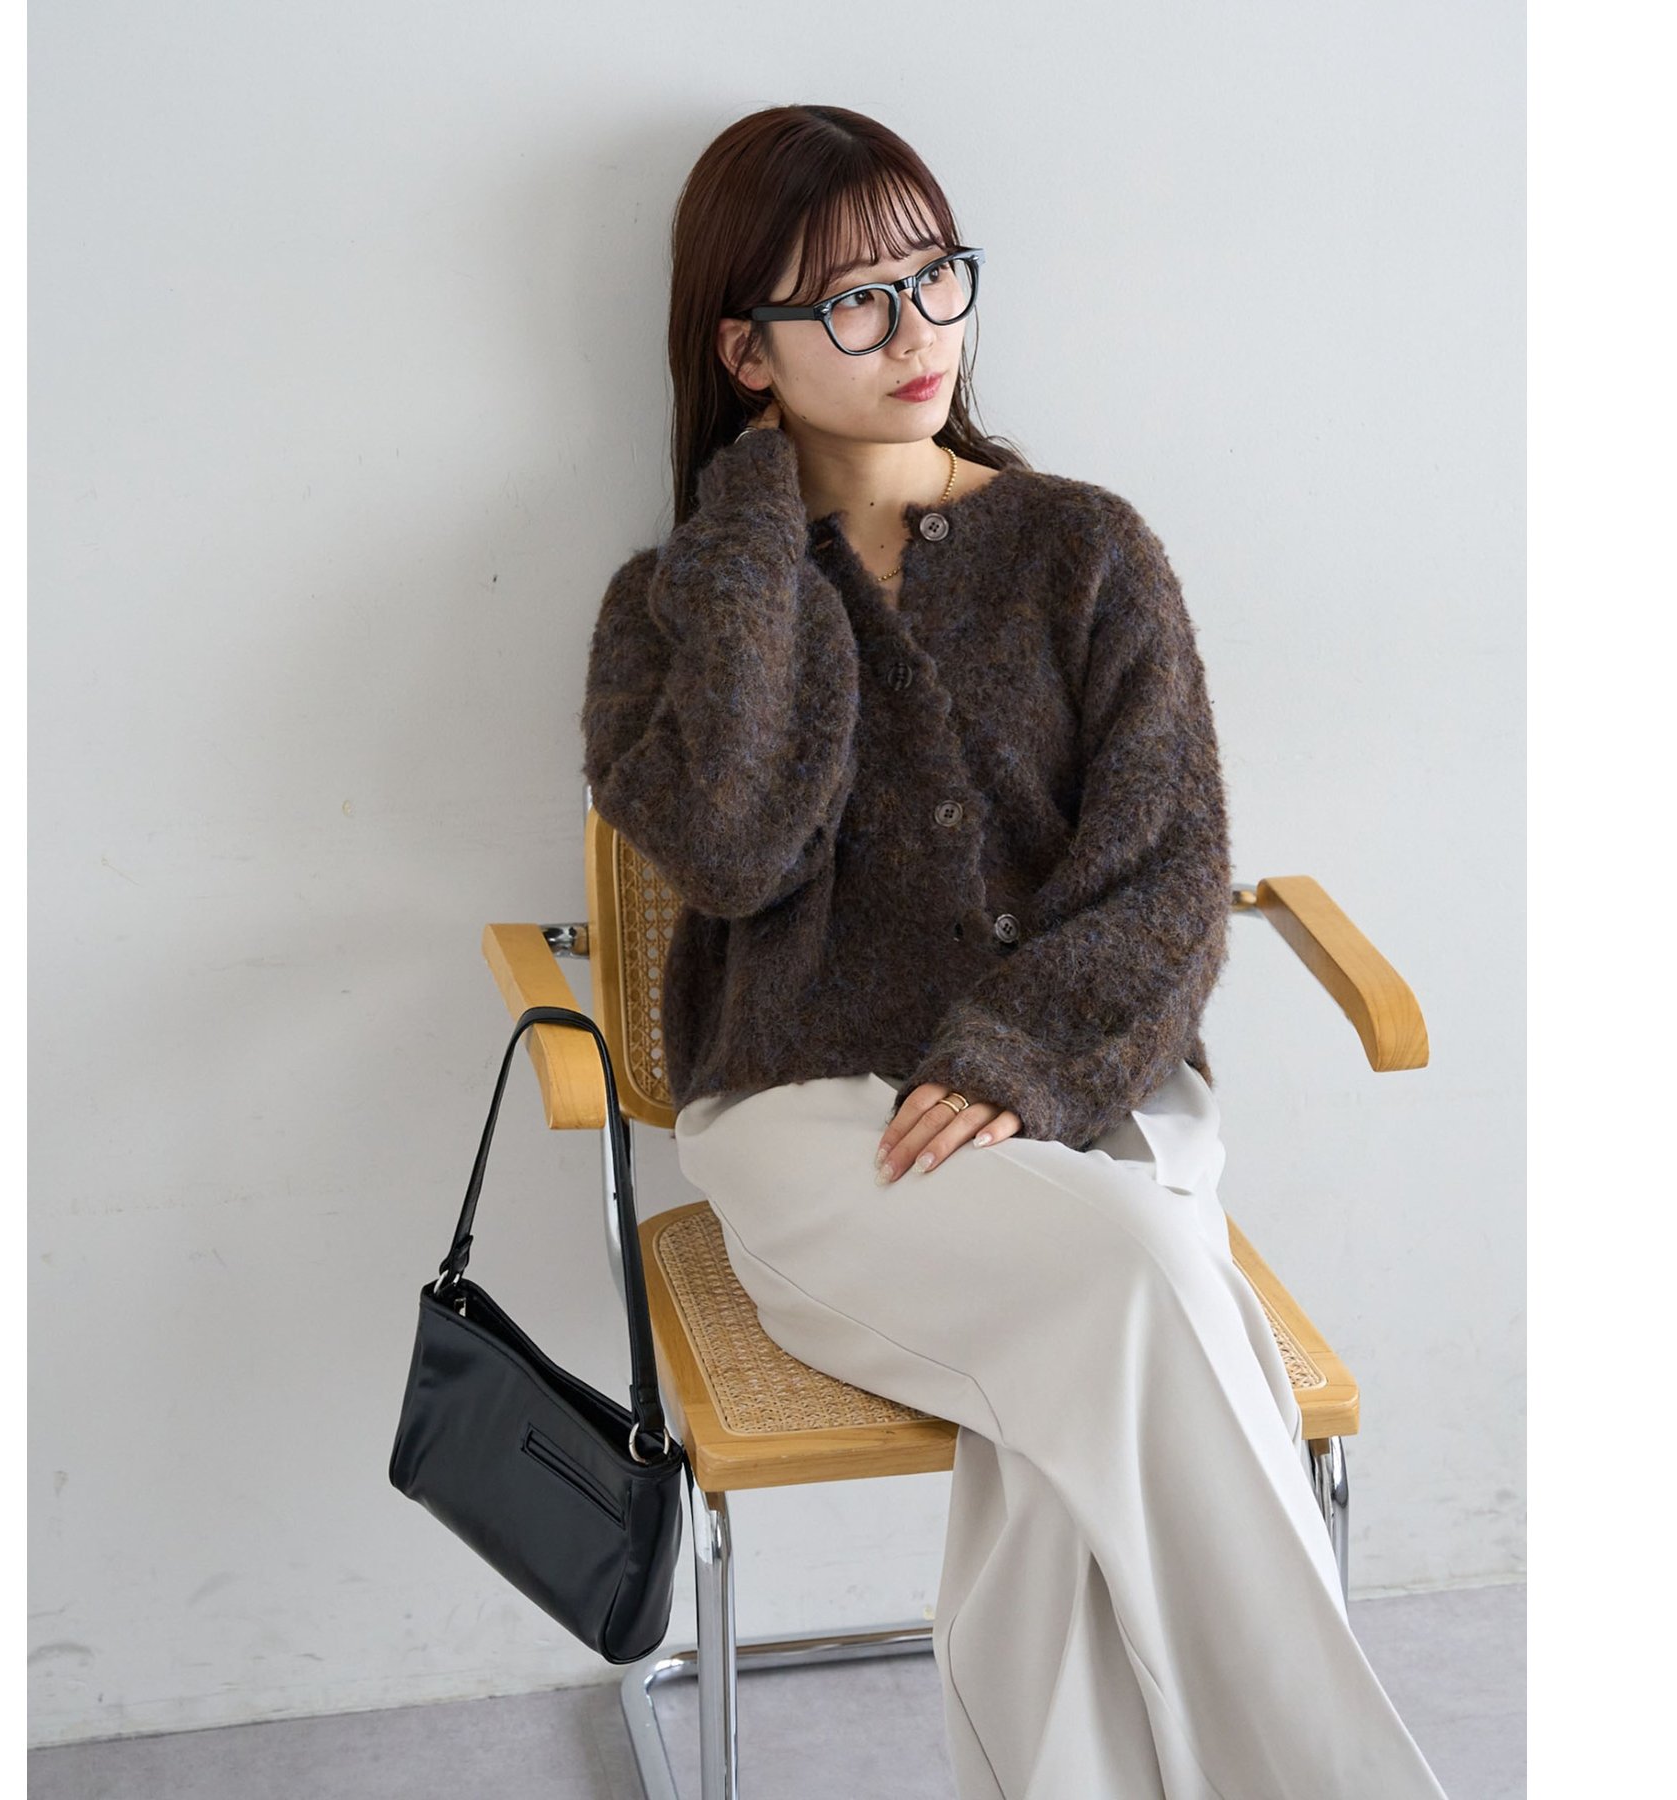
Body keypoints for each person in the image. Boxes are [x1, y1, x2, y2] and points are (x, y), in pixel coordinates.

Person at [580, 103, 1450, 1800]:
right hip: (815, 1126)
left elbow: (1169, 872)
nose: (919, 330)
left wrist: (1019, 1055)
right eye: (854, 301)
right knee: (1141, 1278)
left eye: (937, 276)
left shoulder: (1087, 550)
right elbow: (734, 848)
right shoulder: (673, 604)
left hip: (1094, 1086)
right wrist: (757, 541)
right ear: (745, 352)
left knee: (1101, 1334)